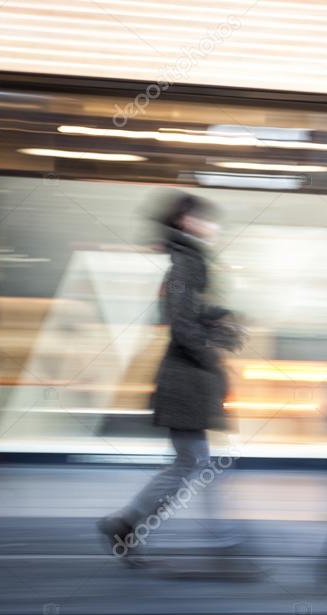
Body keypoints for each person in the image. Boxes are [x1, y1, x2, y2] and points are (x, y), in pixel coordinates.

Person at [98, 192, 243, 561]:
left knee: (191, 462)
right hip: (185, 380)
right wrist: (210, 351)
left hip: (188, 379)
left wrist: (219, 316)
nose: (212, 226)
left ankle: (128, 523)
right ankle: (215, 540)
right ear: (185, 222)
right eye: (204, 218)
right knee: (195, 462)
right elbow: (180, 322)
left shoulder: (190, 261)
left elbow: (190, 312)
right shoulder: (185, 263)